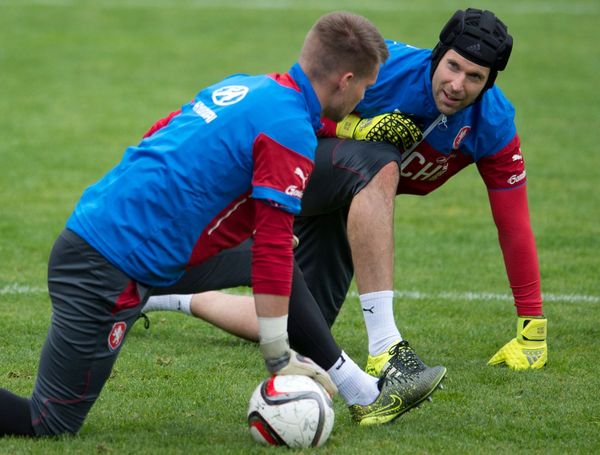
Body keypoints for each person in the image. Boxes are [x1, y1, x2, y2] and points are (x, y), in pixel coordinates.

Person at [0, 11, 393, 438]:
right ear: (345, 79)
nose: (362, 96)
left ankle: (359, 389)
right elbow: (273, 245)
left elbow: (161, 130)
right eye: (365, 88)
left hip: (117, 241)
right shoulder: (288, 131)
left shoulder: (247, 85)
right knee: (48, 424)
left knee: (262, 260)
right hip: (103, 271)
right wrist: (279, 358)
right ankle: (351, 384)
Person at [145, 5, 547, 418]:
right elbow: (290, 108)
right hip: (294, 171)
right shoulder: (386, 70)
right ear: (437, 55)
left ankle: (161, 295)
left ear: (489, 83)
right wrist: (354, 129)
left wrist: (532, 327)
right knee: (378, 160)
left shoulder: (493, 123)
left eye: (475, 77)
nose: (457, 84)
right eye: (452, 66)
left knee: (298, 324)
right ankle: (386, 348)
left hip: (341, 200)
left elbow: (513, 224)